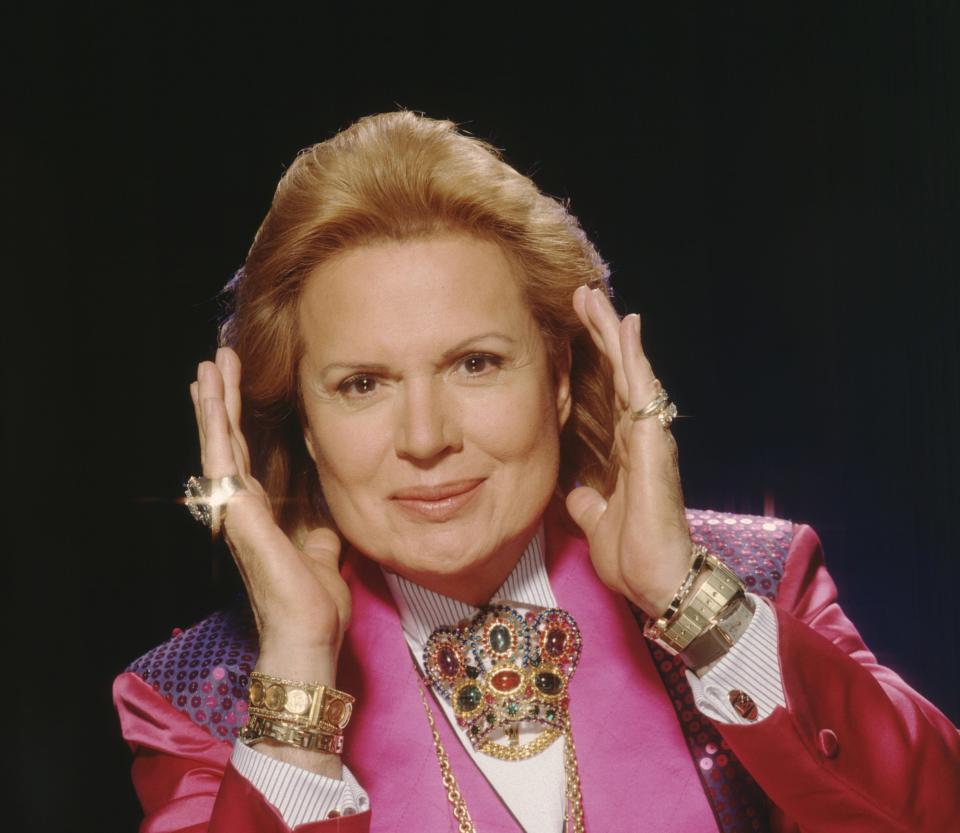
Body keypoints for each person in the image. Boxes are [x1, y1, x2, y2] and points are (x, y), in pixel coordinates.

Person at [114, 111, 960, 833]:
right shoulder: (197, 699)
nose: (424, 436)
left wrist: (690, 601)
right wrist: (297, 669)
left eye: (475, 364)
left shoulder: (756, 582)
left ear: (558, 378)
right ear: (303, 419)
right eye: (362, 384)